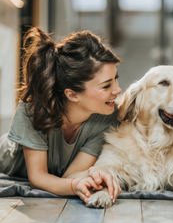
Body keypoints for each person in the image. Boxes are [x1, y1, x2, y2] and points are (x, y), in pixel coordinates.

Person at [0, 28, 122, 204]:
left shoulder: (108, 116)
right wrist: (75, 185)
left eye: (116, 79)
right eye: (106, 86)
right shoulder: (32, 110)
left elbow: (71, 175)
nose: (117, 90)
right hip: (8, 160)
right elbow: (37, 178)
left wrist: (91, 175)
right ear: (72, 94)